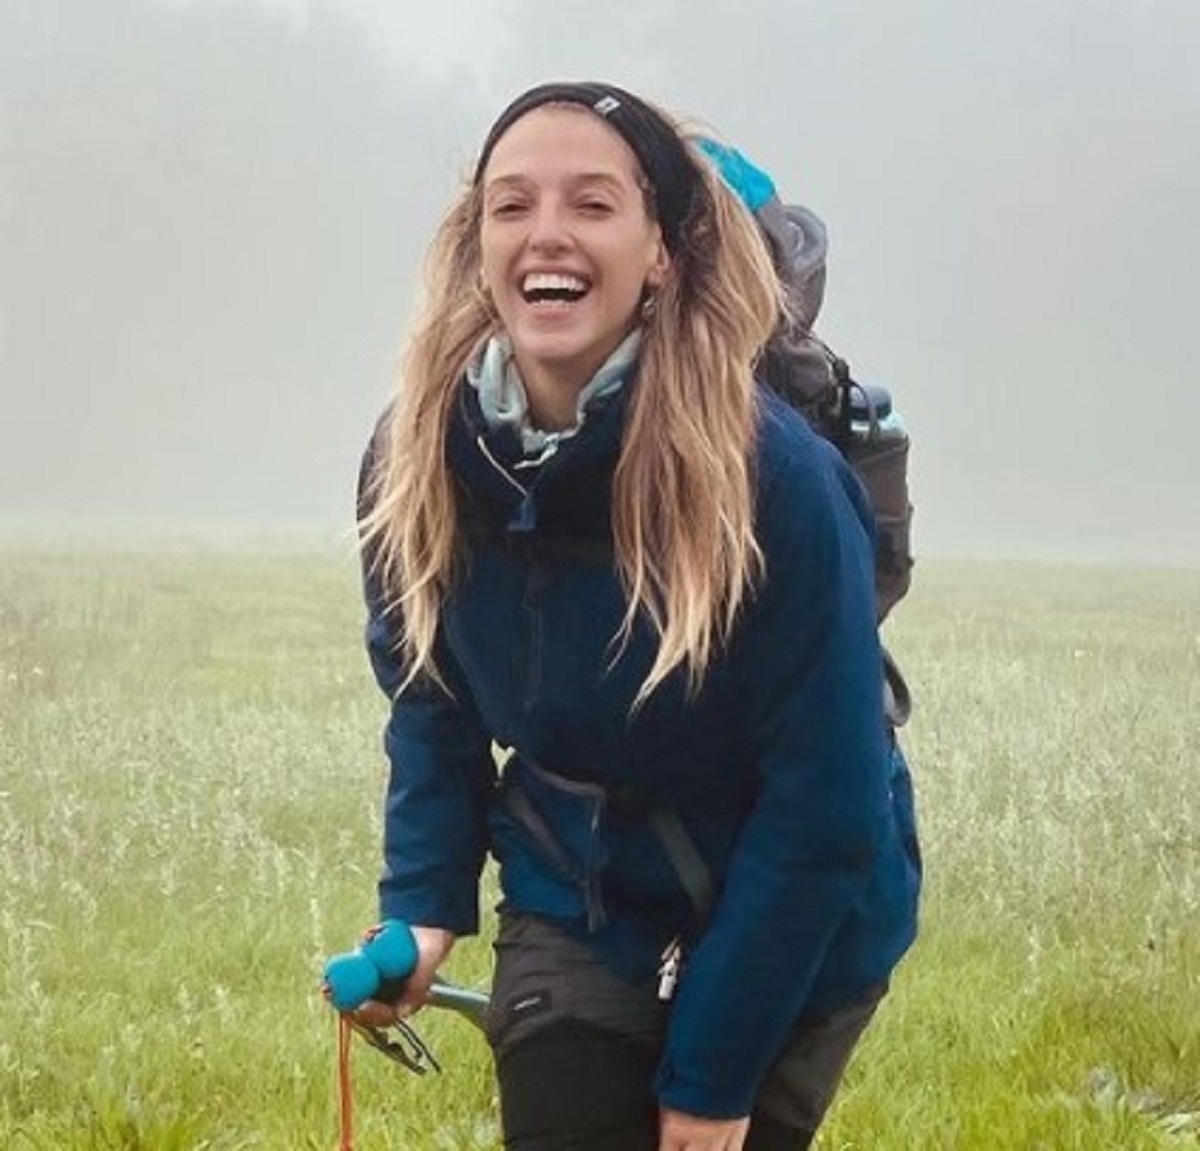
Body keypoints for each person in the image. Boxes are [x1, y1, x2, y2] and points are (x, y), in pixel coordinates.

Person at [353, 80, 921, 1151]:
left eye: (593, 204)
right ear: (477, 244)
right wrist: (421, 906)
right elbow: (429, 701)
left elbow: (828, 804)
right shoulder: (417, 459)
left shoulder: (776, 480)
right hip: (578, 888)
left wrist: (713, 1080)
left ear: (661, 250)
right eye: (511, 205)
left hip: (801, 906)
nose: (546, 233)